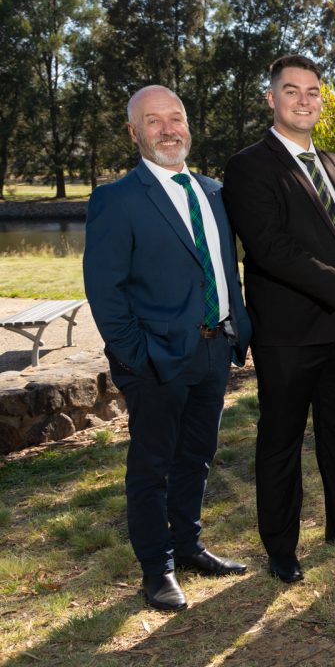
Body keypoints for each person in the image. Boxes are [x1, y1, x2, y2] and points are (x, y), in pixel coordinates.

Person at [83, 86, 253, 611]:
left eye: (175, 117)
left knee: (197, 458)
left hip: (213, 350)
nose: (167, 129)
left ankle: (189, 546)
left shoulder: (214, 191)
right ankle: (156, 570)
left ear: (188, 124)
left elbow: (226, 268)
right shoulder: (117, 198)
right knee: (151, 466)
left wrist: (237, 330)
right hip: (155, 361)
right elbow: (105, 292)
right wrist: (137, 356)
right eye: (153, 121)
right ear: (135, 133)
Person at [222, 55, 335, 584]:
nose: (304, 100)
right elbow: (271, 248)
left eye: (313, 92)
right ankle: (281, 546)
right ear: (271, 99)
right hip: (289, 334)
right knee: (281, 440)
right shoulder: (249, 166)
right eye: (291, 91)